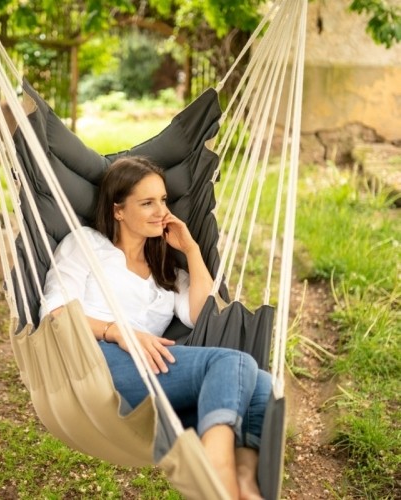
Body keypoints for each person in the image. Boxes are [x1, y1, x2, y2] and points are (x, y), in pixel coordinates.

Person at [41, 156, 271, 500]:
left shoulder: (164, 269)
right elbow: (54, 312)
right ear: (118, 210)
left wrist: (191, 248)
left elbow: (202, 314)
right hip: (94, 363)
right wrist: (116, 331)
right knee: (234, 363)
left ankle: (244, 481)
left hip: (151, 370)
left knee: (263, 382)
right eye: (147, 202)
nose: (160, 210)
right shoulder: (87, 244)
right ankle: (217, 476)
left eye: (163, 201)